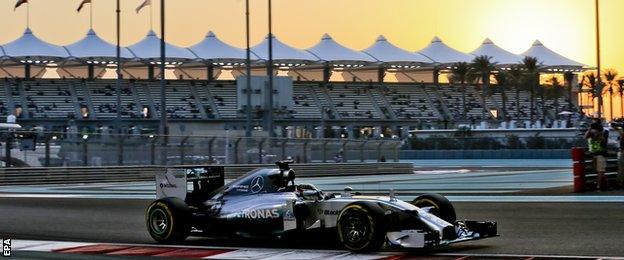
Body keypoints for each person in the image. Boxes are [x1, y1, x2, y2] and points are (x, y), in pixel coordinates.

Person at [585, 117, 609, 190]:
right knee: (600, 171)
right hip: (595, 153)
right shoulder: (591, 132)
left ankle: (598, 186)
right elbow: (586, 137)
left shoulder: (604, 132)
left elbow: (604, 141)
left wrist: (598, 132)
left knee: (600, 170)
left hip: (600, 153)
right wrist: (590, 129)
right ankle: (606, 184)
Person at [611, 119, 624, 189]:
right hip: (622, 150)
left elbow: (621, 134)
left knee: (621, 167)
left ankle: (619, 183)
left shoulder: (621, 131)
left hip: (622, 150)